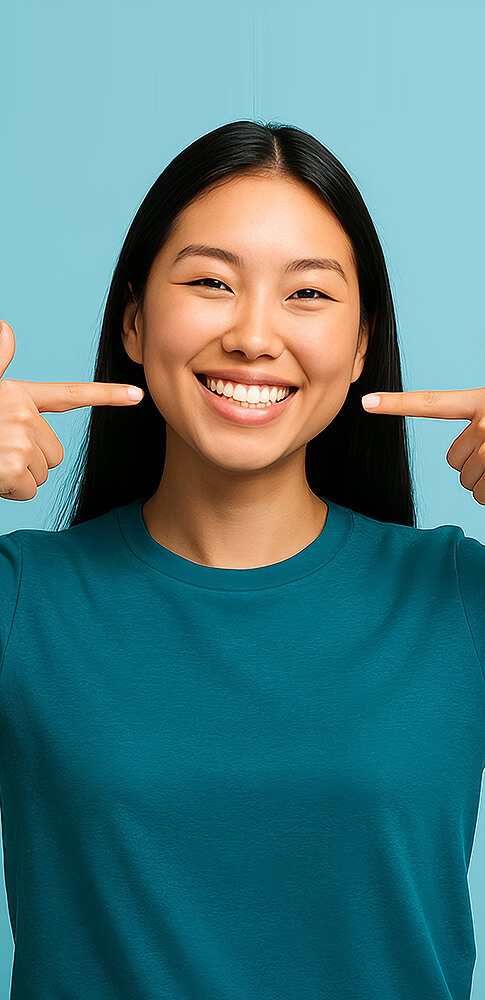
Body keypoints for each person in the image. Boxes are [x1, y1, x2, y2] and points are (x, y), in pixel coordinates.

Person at [0, 119, 484, 1000]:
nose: (254, 336)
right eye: (212, 283)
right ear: (136, 321)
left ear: (362, 343)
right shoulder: (22, 601)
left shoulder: (457, 598)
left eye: (306, 295)